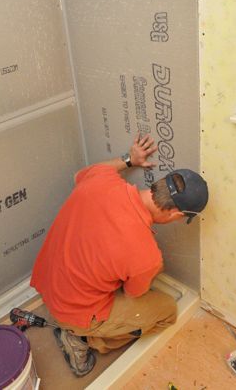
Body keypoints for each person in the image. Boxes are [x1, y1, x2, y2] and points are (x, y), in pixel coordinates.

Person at [30, 133, 208, 377]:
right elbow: (132, 293)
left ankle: (80, 326)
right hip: (74, 311)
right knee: (166, 310)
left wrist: (130, 159)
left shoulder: (102, 180)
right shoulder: (147, 257)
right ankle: (84, 339)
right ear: (176, 215)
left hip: (48, 282)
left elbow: (80, 174)